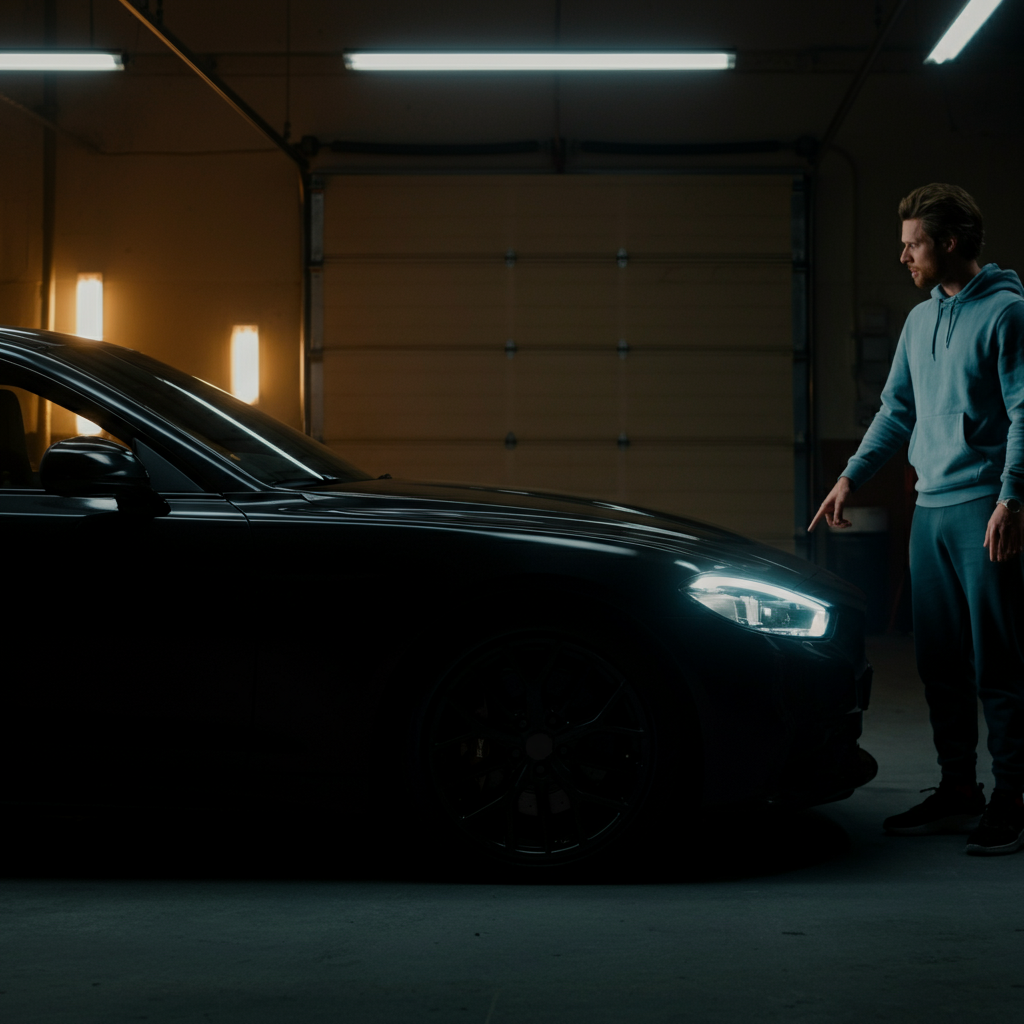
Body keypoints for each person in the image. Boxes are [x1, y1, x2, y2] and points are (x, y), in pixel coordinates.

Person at [809, 183, 1024, 856]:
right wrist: (849, 476)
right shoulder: (919, 321)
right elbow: (896, 411)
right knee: (939, 663)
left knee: (998, 663)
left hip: (984, 510)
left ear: (949, 243)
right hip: (929, 511)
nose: (903, 256)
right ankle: (960, 789)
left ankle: (1013, 799)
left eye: (912, 244)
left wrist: (1012, 498)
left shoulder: (1007, 315)